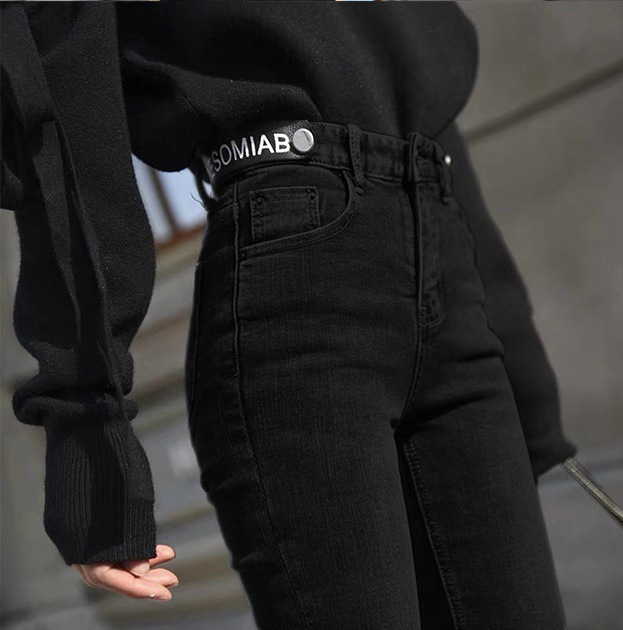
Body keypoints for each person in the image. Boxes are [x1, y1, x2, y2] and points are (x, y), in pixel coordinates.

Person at [1, 2, 578, 627]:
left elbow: (424, 118)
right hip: (296, 275)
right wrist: (90, 432)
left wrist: (522, 371)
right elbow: (66, 103)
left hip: (442, 253)